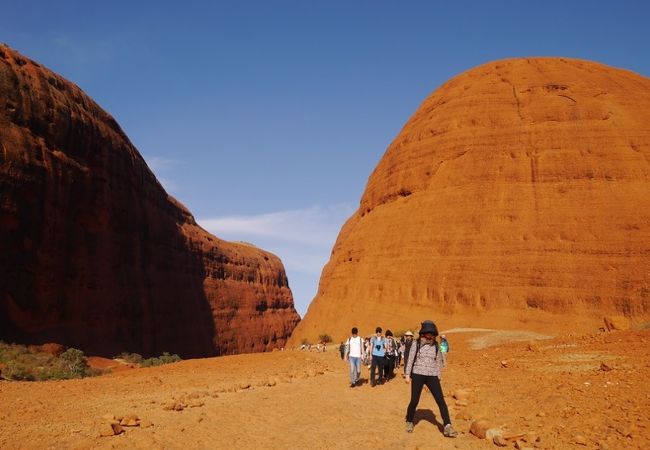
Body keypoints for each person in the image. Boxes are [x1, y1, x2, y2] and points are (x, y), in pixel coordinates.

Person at [404, 320, 458, 438]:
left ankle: (447, 425)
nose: (431, 337)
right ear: (424, 333)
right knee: (414, 400)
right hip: (418, 374)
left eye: (433, 335)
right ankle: (409, 420)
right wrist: (407, 375)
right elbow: (410, 358)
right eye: (429, 334)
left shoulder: (436, 345)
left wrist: (438, 376)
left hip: (432, 375)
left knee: (441, 401)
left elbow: (438, 361)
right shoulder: (416, 343)